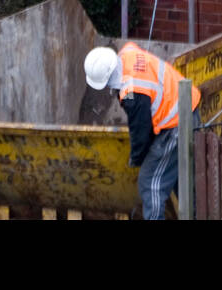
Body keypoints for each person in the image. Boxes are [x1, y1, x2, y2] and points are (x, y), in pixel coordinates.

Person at [84, 42, 201, 220]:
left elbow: (141, 128)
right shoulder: (127, 52)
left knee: (150, 182)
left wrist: (138, 157)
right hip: (186, 109)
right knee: (180, 179)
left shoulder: (131, 92)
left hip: (176, 124)